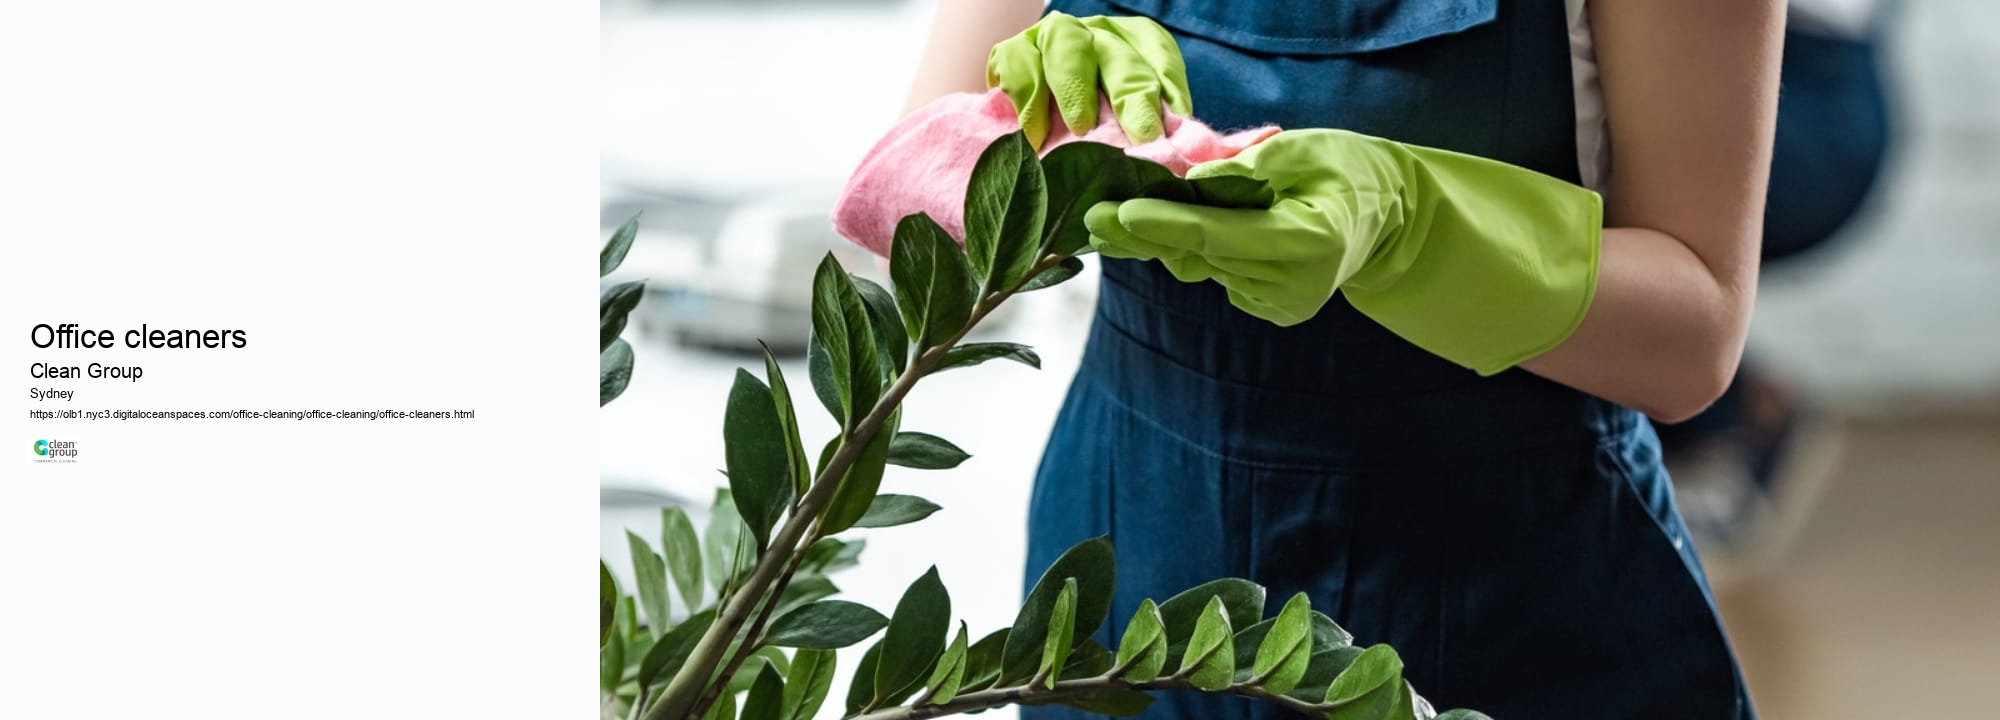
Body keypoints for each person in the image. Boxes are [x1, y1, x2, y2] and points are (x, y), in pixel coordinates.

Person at [905, 1, 1781, 717]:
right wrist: (1037, 125)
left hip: (1502, 592)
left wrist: (1414, 224)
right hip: (1123, 557)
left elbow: (1694, 339)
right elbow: (911, 209)